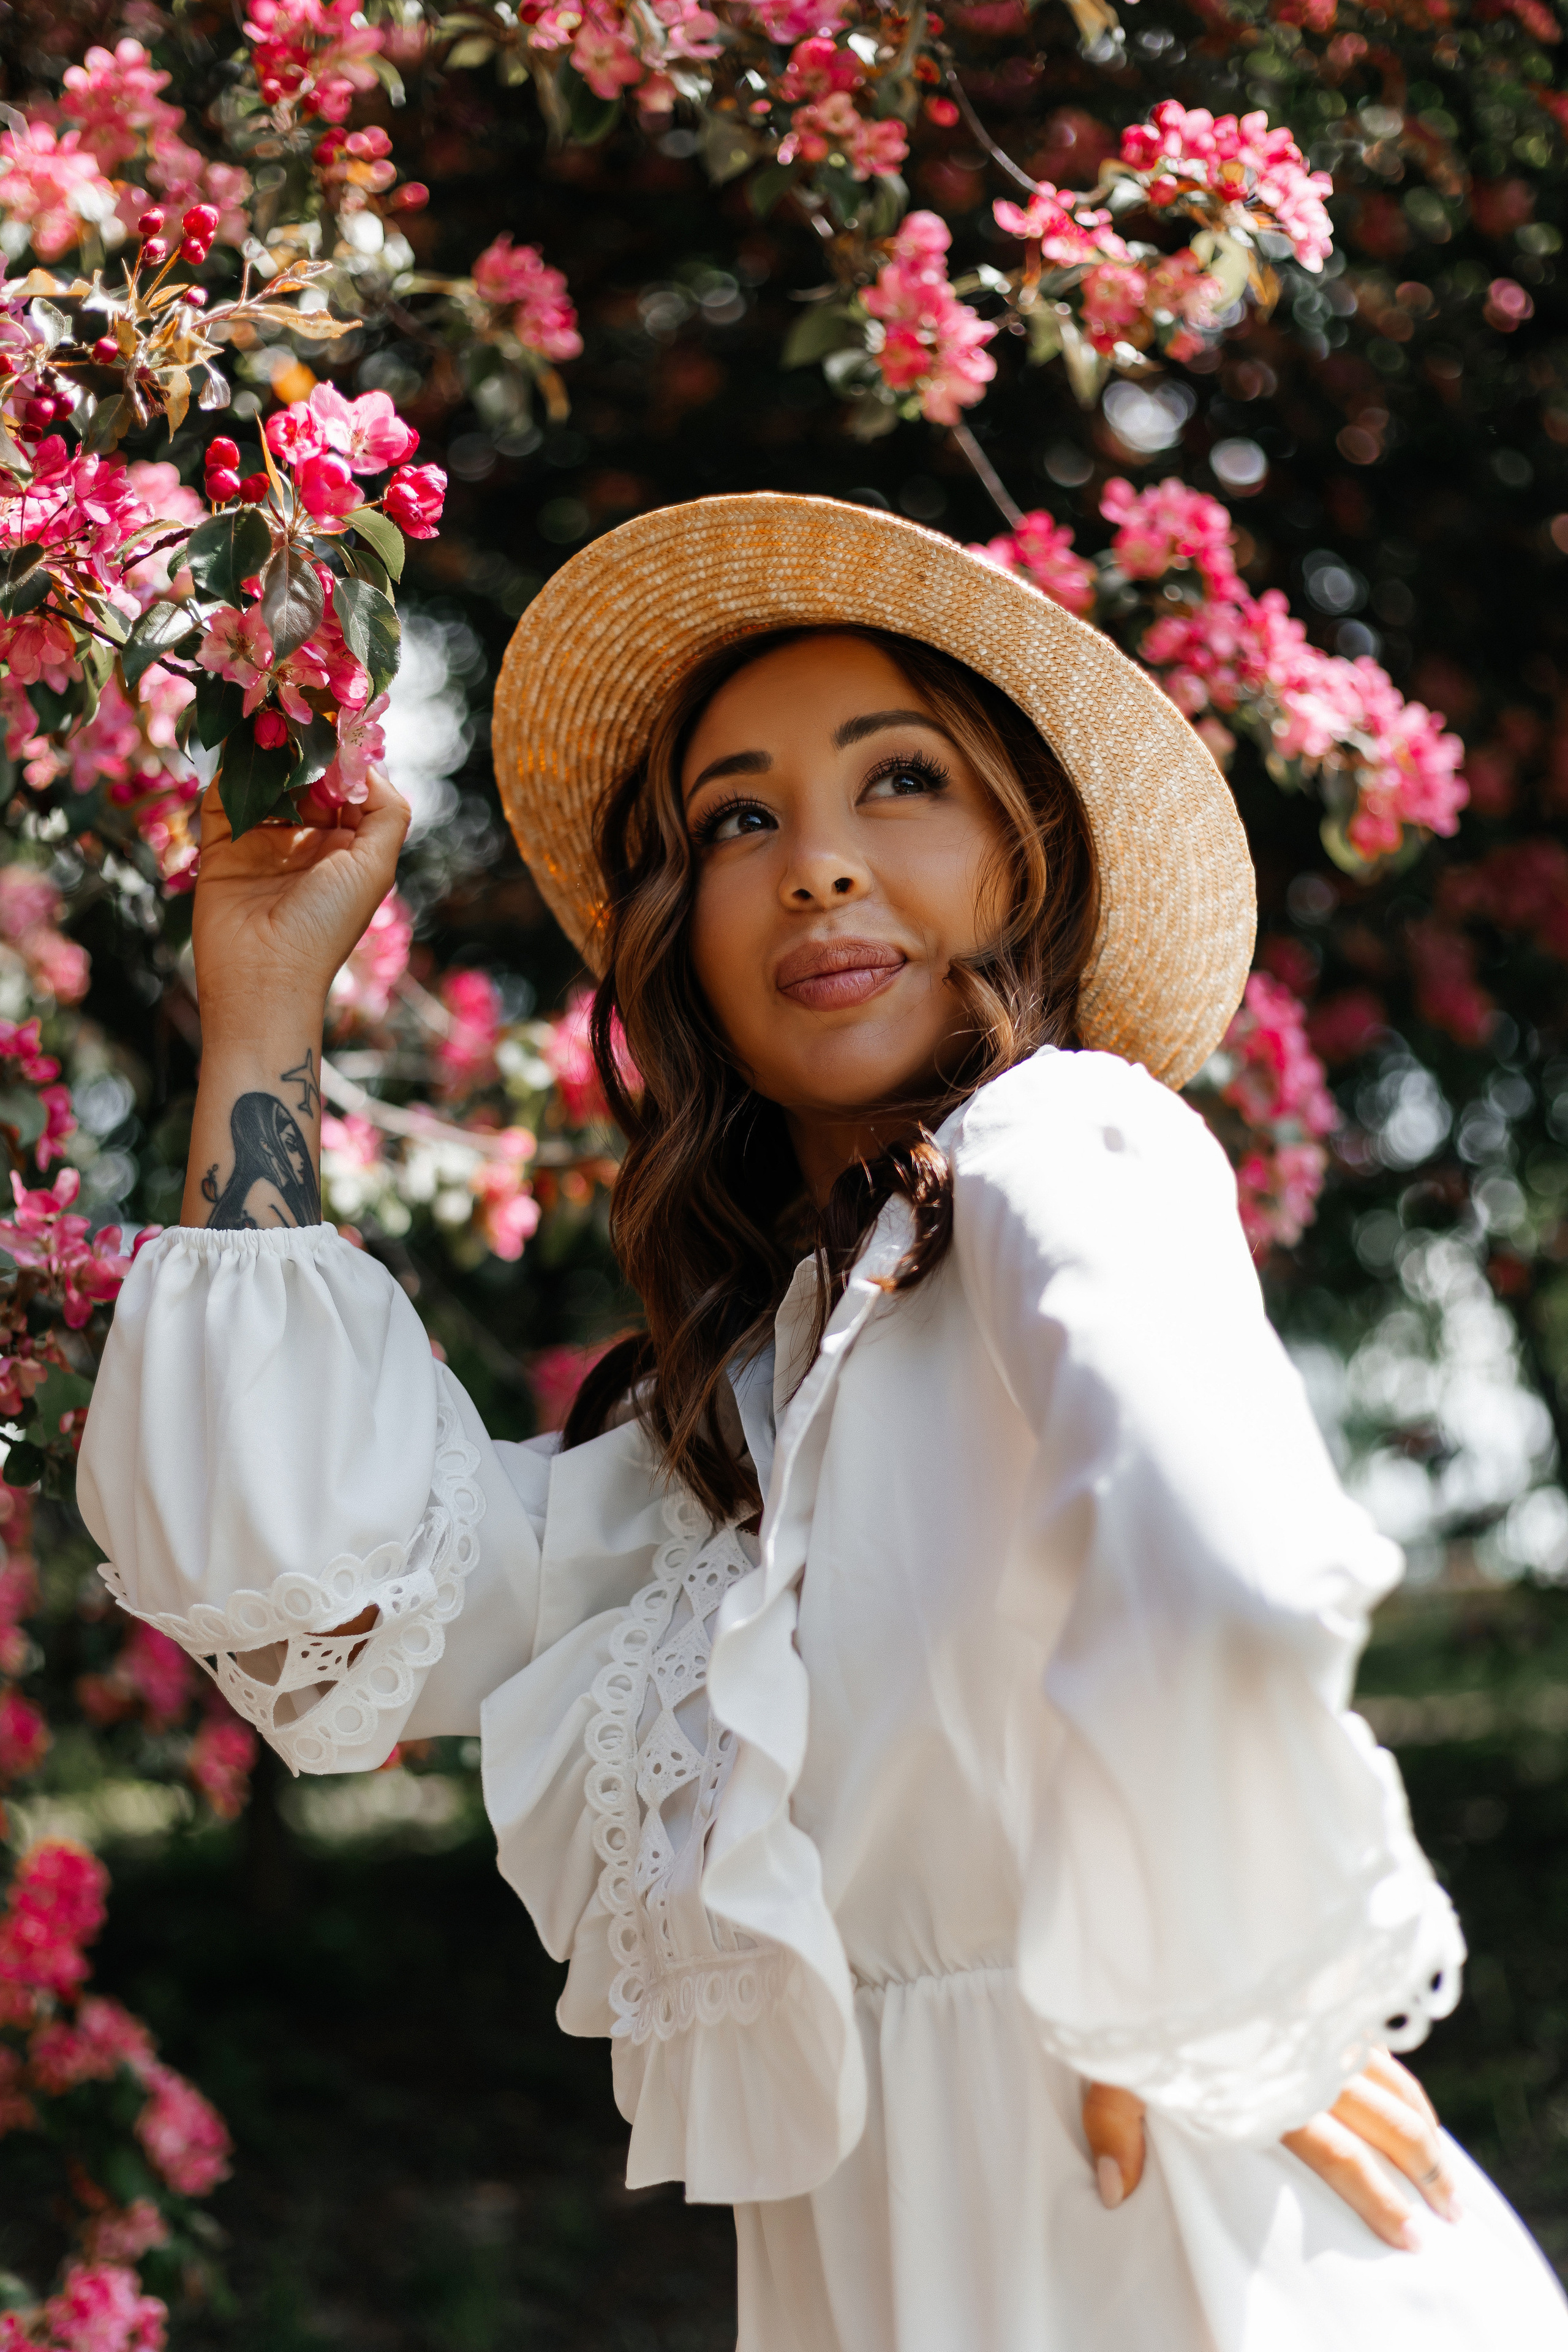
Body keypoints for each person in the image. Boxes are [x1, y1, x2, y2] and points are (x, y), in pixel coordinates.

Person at [78, 495, 1568, 2351]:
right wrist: (259, 1016)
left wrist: (1210, 1988)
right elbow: (327, 1596)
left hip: (1156, 2228)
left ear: (1025, 862)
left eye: (902, 783)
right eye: (740, 820)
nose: (820, 869)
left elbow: (1212, 1528)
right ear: (682, 929)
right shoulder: (723, 1435)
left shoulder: (1061, 1144)